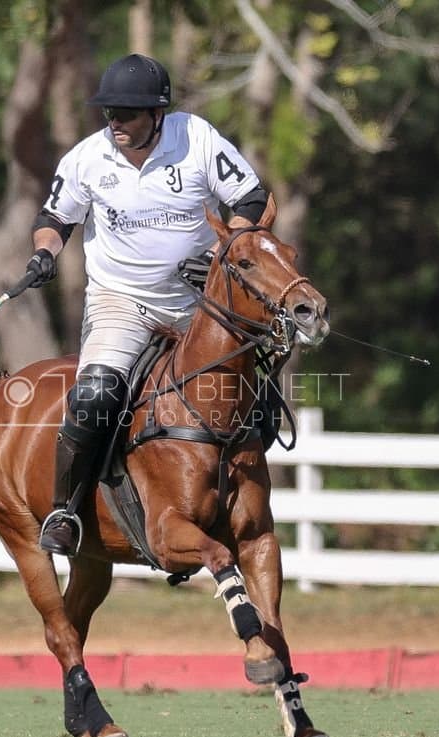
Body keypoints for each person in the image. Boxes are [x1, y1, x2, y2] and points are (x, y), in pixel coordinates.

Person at [23, 53, 269, 558]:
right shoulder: (87, 158)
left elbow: (251, 199)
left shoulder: (196, 139)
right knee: (94, 396)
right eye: (110, 112)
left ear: (157, 115)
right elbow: (55, 217)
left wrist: (228, 253)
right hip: (123, 302)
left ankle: (241, 507)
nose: (116, 122)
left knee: (256, 397)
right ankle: (65, 509)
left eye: (128, 113)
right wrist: (45, 252)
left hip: (202, 306)